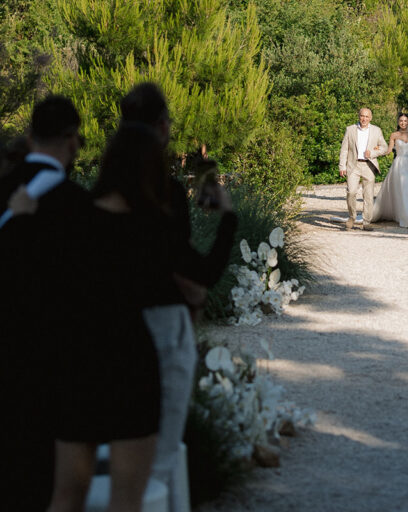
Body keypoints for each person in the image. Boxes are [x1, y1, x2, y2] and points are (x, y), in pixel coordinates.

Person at [119, 82, 238, 504]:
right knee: (162, 451)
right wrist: (226, 215)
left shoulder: (100, 195)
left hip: (111, 329)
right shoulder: (164, 192)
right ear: (163, 127)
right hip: (162, 326)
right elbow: (200, 271)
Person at [46, 121, 173, 512]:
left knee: (66, 497)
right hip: (131, 361)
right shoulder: (152, 227)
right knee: (126, 501)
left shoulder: (73, 217)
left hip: (77, 359)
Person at [0, 96, 90, 512]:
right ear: (72, 140)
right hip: (53, 364)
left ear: (32, 135)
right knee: (42, 481)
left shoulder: (5, 188)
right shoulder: (77, 205)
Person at [338, 107, 387, 230]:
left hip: (369, 165)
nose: (364, 118)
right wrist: (342, 166)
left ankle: (366, 221)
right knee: (351, 192)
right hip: (353, 165)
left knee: (368, 195)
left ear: (370, 118)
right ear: (358, 116)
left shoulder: (376, 130)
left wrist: (372, 153)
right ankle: (352, 217)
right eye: (362, 116)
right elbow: (344, 149)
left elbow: (384, 147)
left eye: (367, 116)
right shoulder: (350, 129)